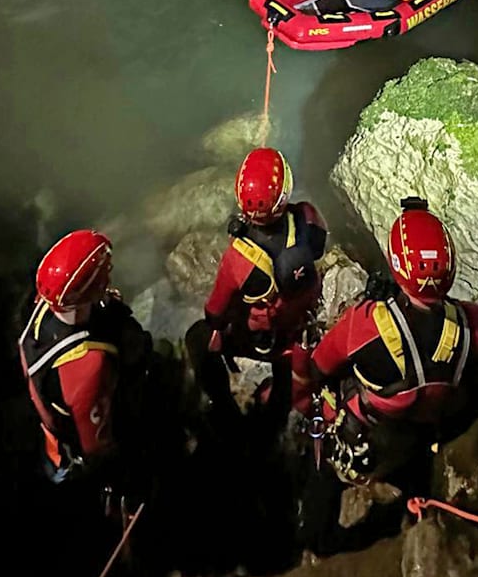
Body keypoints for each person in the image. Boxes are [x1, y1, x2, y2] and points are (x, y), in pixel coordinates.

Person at [295, 197, 478, 487]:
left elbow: (318, 367)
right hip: (421, 432)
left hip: (372, 440)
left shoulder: (364, 323)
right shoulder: (473, 326)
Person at [186, 147, 327, 431]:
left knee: (198, 337)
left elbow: (216, 310)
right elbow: (318, 245)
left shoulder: (238, 257)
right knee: (285, 373)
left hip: (261, 336)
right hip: (297, 328)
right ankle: (279, 405)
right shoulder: (308, 218)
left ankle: (224, 407)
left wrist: (245, 236)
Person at [17, 229, 154, 492]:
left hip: (52, 422)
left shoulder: (40, 307)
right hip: (76, 446)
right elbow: (97, 444)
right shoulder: (88, 363)